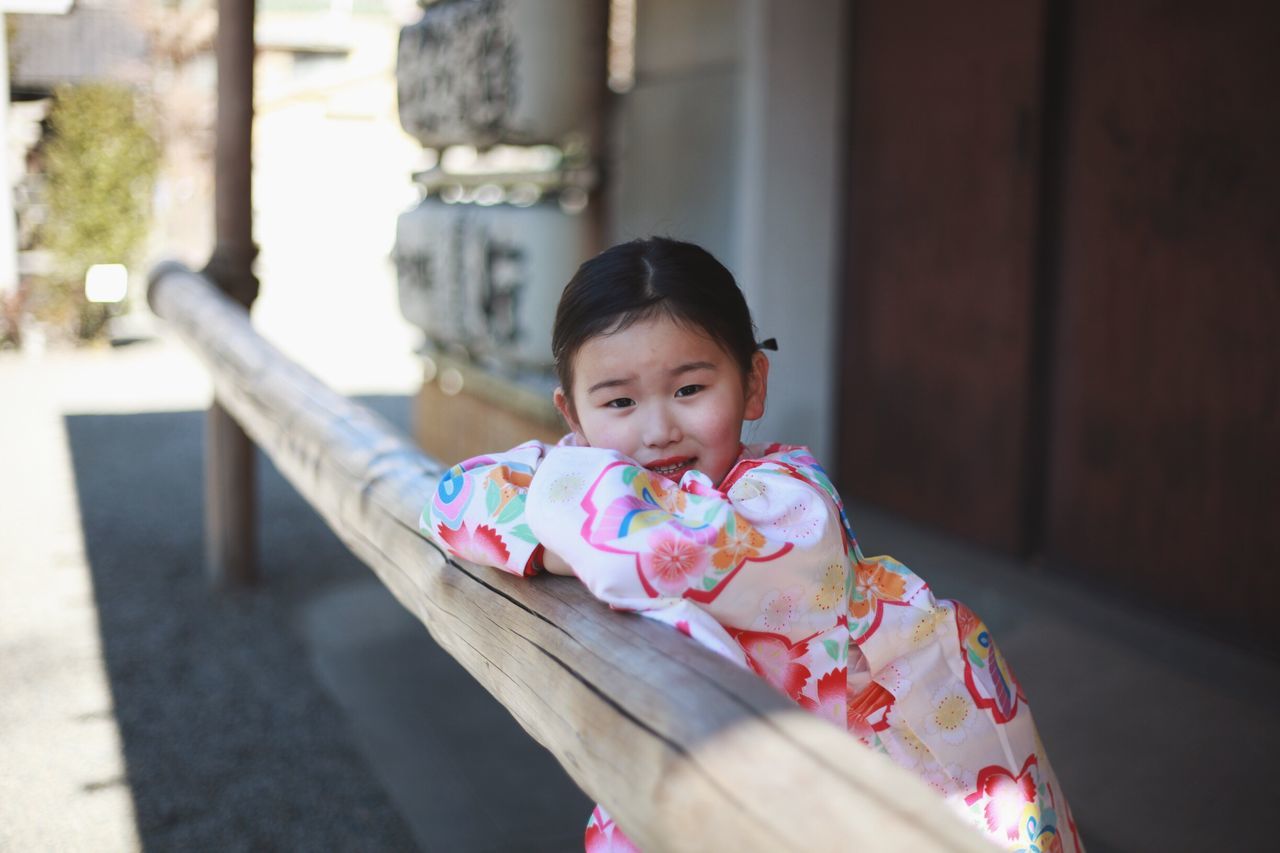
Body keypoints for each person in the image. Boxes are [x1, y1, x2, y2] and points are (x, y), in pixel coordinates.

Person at [422, 237, 1082, 852]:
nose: (657, 430)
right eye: (618, 402)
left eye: (689, 389)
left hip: (904, 761)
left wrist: (559, 542)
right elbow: (452, 498)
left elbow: (654, 550)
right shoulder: (593, 481)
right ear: (573, 416)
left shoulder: (789, 505)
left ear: (753, 384)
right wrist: (576, 541)